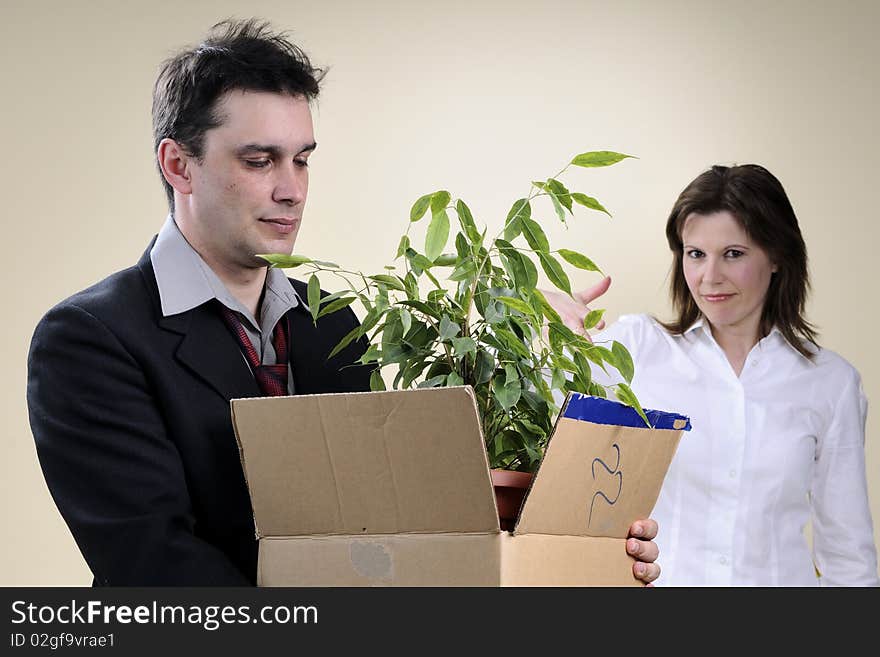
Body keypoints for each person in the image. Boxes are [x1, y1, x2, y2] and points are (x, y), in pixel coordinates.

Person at [26, 19, 662, 585]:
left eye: (302, 160)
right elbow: (155, 566)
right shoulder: (90, 337)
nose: (291, 190)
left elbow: (392, 523)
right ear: (178, 164)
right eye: (260, 160)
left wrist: (583, 551)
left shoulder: (332, 320)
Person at [547, 163, 879, 586]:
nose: (709, 277)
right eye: (696, 254)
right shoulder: (637, 348)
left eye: (733, 254)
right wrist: (547, 325)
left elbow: (848, 558)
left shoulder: (830, 383)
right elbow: (545, 424)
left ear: (776, 255)